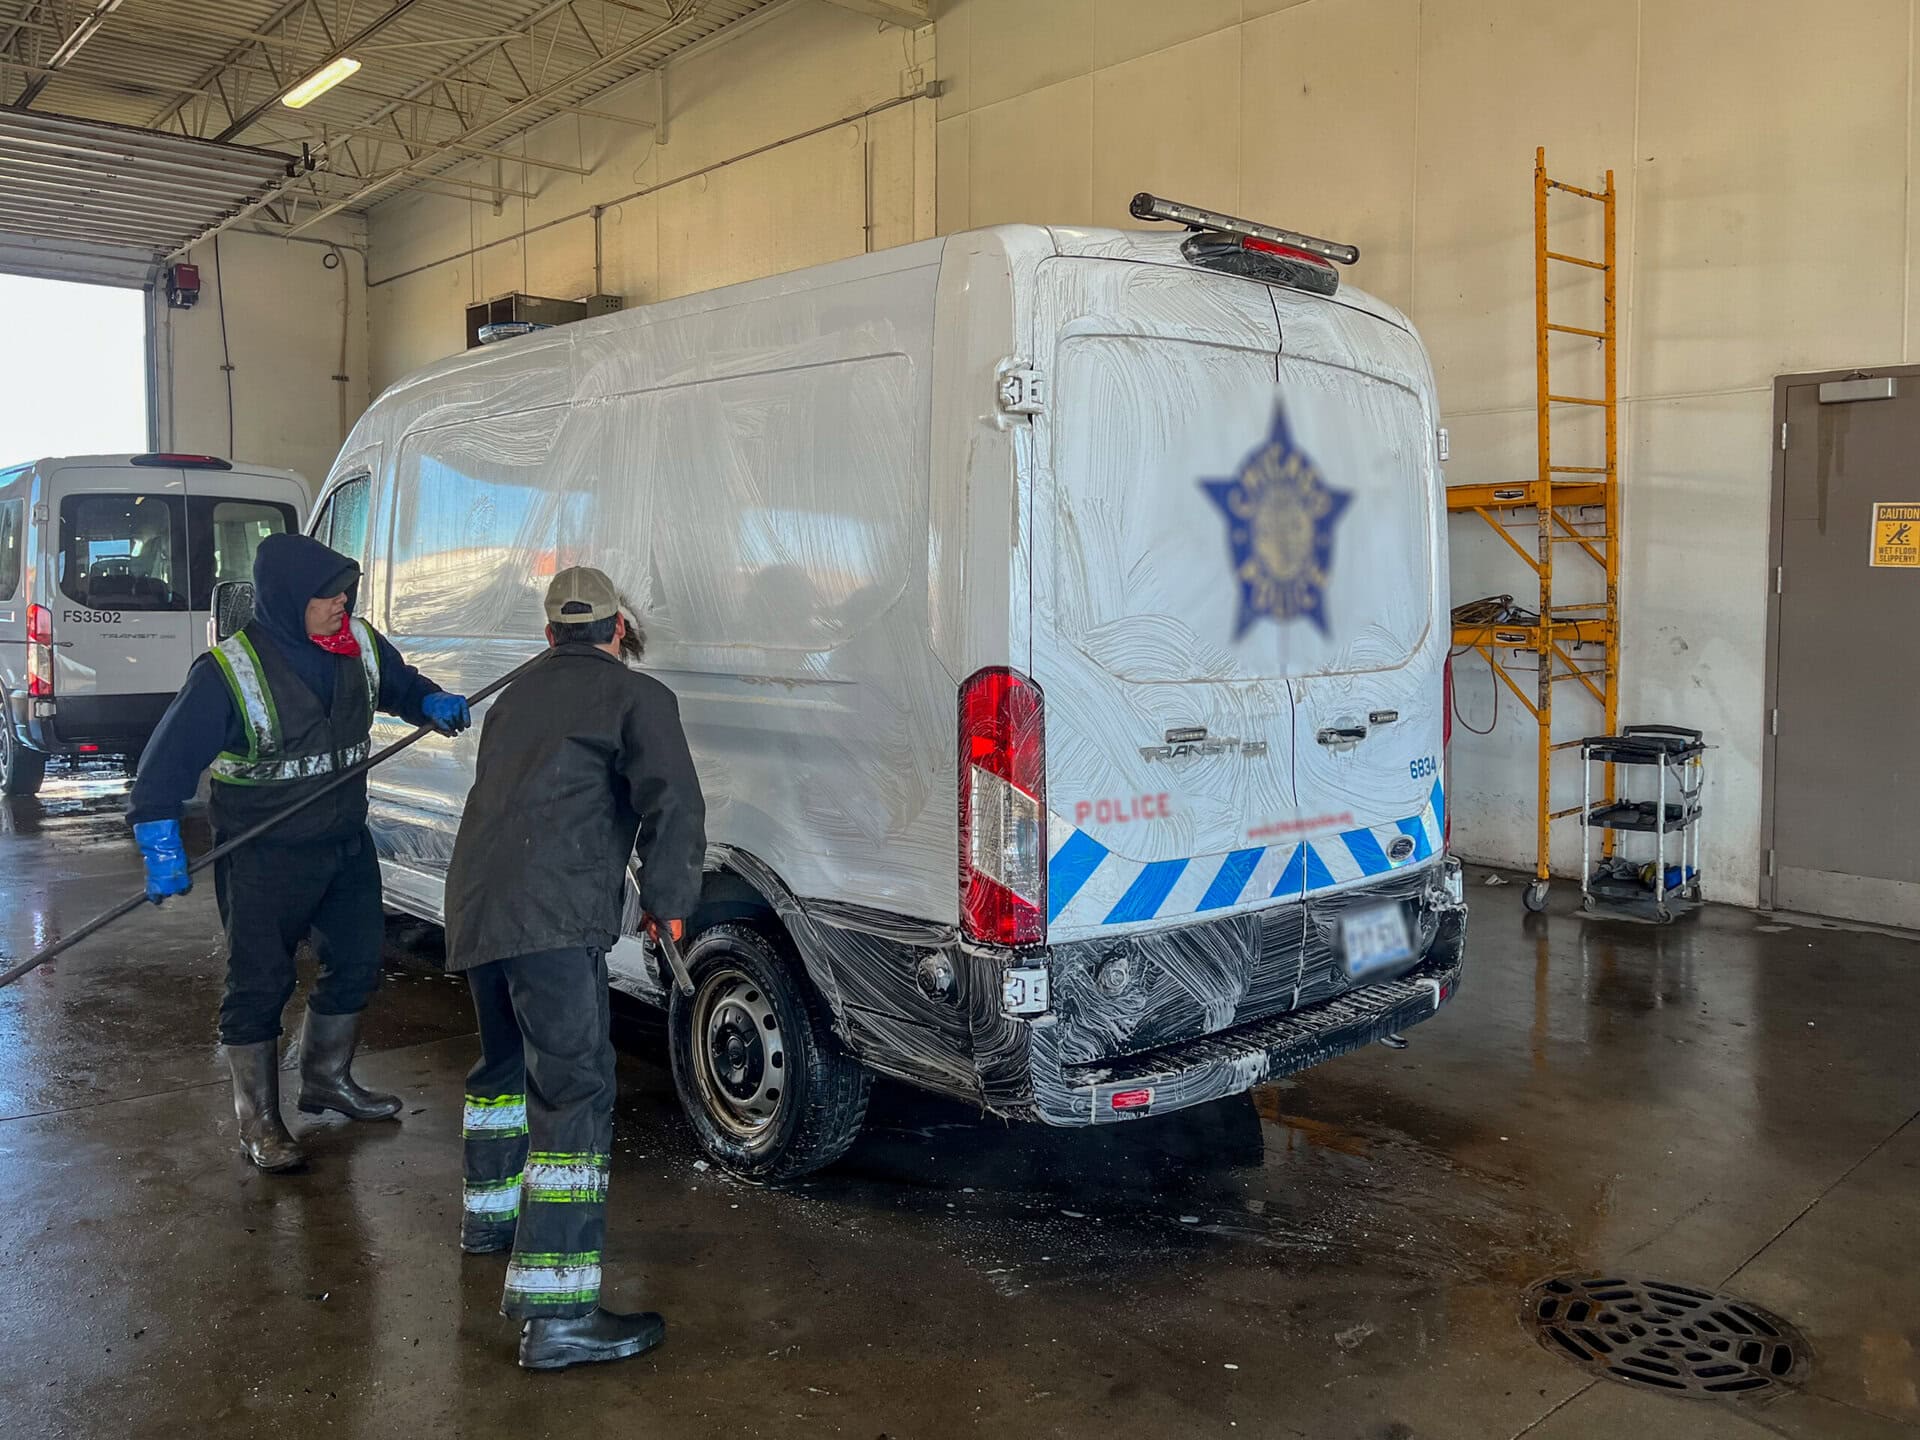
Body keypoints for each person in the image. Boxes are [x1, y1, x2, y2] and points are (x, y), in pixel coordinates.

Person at [127, 532, 471, 1173]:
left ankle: (326, 1080)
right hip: (263, 854)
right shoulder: (228, 672)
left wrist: (427, 701)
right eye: (326, 598)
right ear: (287, 601)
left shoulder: (359, 643)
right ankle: (258, 1120)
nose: (341, 605)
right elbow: (162, 769)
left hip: (343, 843)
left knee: (361, 959)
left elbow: (397, 683)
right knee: (260, 982)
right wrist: (159, 842)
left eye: (345, 593)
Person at [444, 566, 705, 1372]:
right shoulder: (639, 698)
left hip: (480, 902)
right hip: (550, 918)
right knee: (574, 1092)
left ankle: (489, 1223)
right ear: (618, 629)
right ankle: (557, 1316)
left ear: (550, 633)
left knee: (501, 1068)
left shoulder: (516, 695)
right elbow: (674, 804)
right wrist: (669, 902)